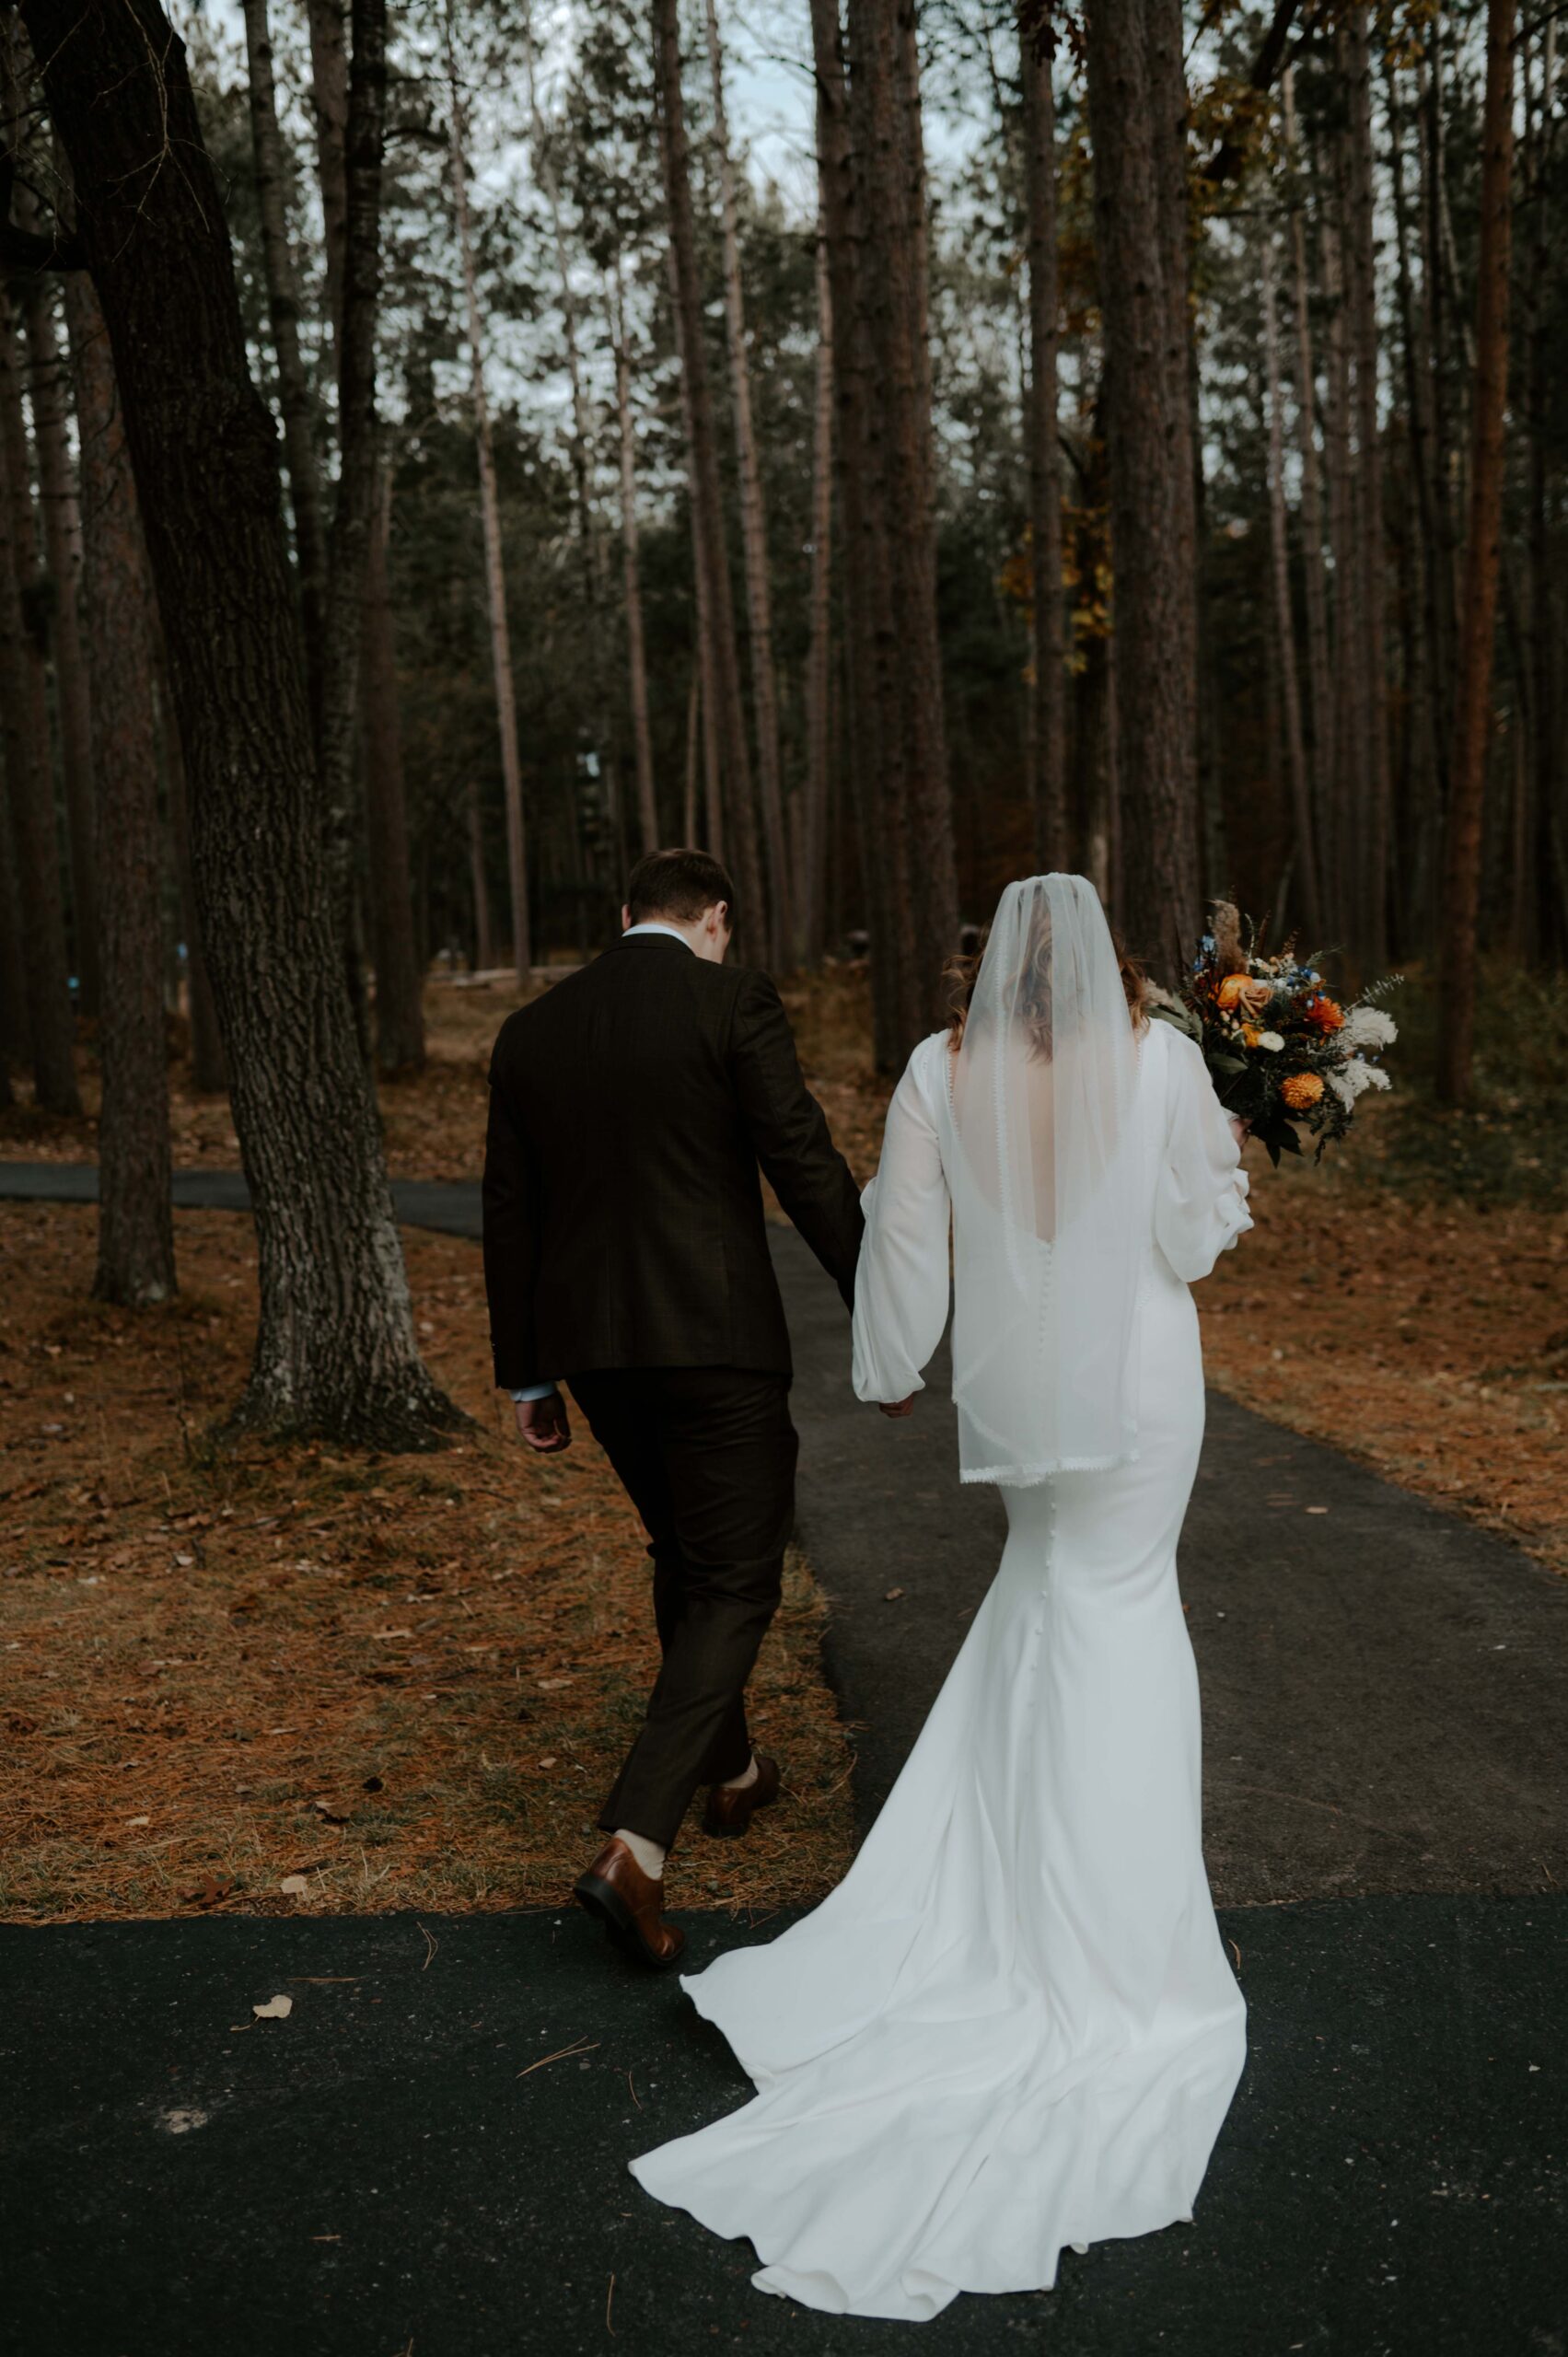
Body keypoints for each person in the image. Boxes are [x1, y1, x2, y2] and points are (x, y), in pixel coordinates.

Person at [629, 874, 1254, 2321]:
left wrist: (889, 1362)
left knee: (1048, 1598)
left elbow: (899, 1237)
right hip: (1139, 1378)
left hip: (1018, 1379)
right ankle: (1114, 1939)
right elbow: (1187, 1242)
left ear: (989, 970)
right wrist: (1224, 1165)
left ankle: (1009, 1905)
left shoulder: (937, 1066)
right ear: (1103, 964)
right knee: (1120, 1609)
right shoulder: (1160, 1061)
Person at [482, 848, 864, 1972]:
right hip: (715, 1340)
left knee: (686, 1552)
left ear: (625, 915)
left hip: (594, 1354)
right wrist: (880, 1306)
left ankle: (732, 1774)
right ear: (715, 918)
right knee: (738, 1577)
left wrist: (528, 1375)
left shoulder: (533, 1030)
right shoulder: (730, 998)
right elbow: (799, 1157)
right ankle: (636, 1845)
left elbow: (509, 1208)